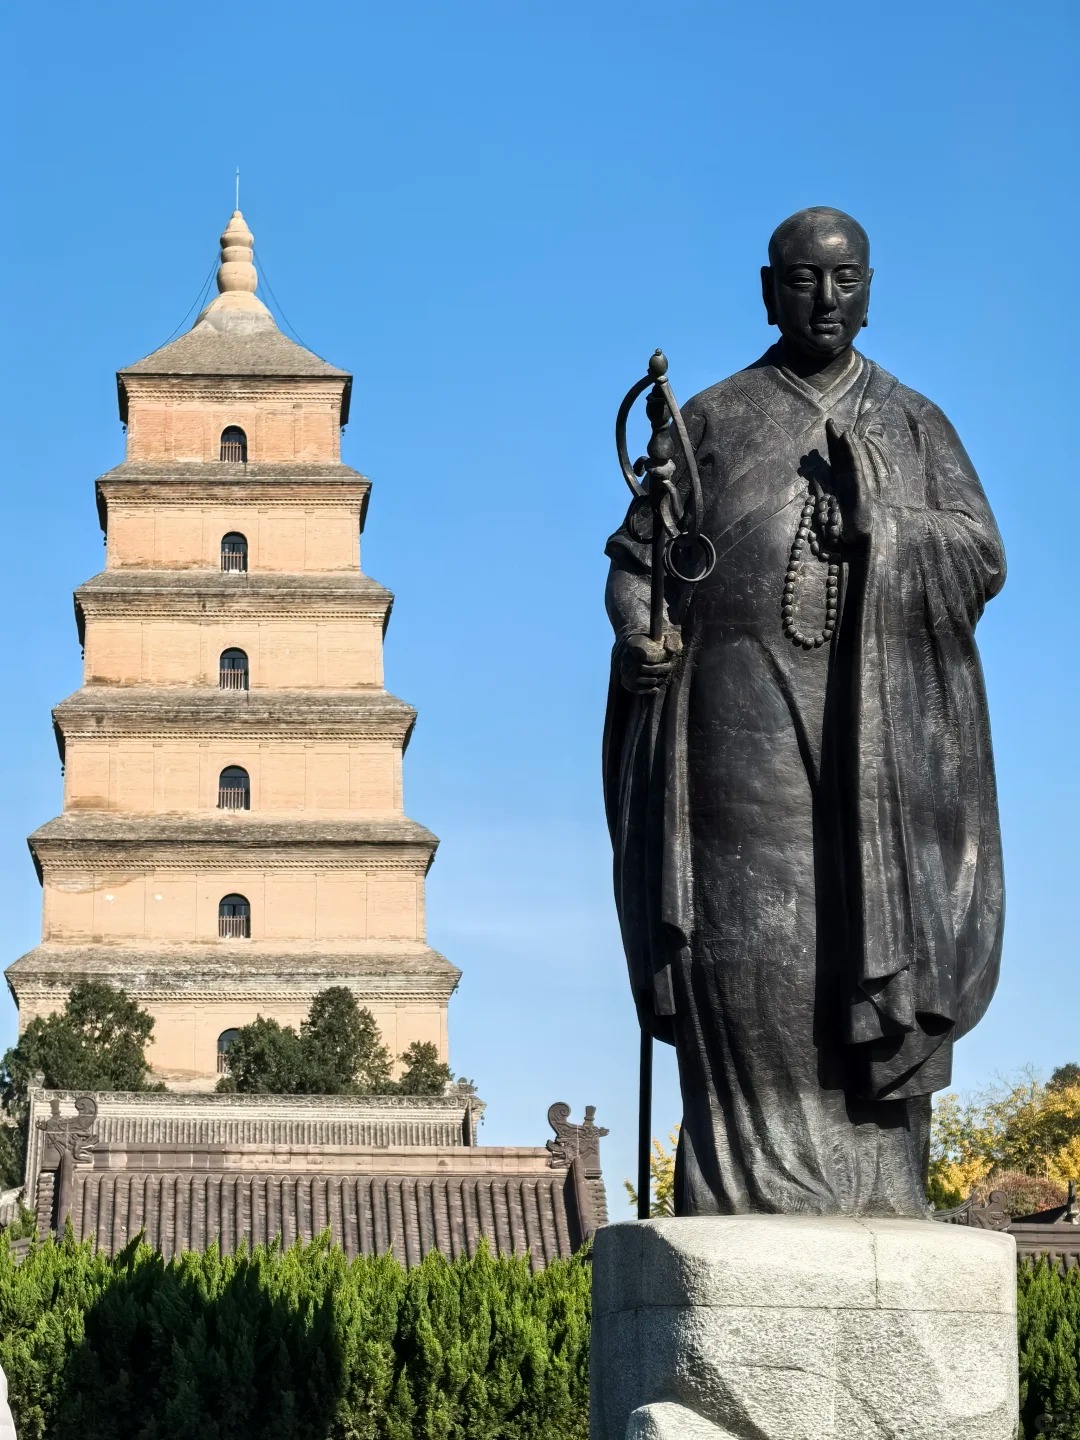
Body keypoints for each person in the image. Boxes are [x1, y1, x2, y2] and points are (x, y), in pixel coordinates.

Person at [603, 207, 1005, 1217]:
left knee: (861, 929)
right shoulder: (710, 419)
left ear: (870, 290)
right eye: (802, 279)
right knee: (747, 923)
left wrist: (885, 525)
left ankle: (879, 1182)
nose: (825, 299)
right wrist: (642, 634)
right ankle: (748, 1179)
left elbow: (980, 554)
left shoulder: (914, 422)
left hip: (880, 730)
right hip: (732, 712)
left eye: (846, 279)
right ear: (767, 290)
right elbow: (638, 565)